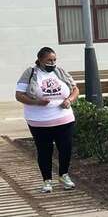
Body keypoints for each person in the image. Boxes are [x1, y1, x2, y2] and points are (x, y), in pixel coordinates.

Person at [15, 47, 79, 194]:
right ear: (40, 60)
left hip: (64, 119)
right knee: (44, 150)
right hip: (39, 121)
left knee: (66, 148)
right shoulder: (30, 73)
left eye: (54, 60)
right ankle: (47, 180)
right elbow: (19, 95)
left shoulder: (60, 72)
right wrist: (36, 102)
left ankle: (64, 175)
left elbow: (75, 89)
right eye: (49, 60)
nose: (52, 63)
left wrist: (69, 100)